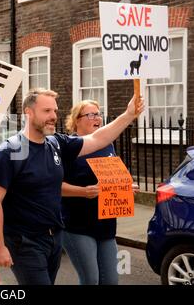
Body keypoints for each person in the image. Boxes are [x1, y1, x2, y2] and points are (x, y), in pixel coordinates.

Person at [0, 88, 144, 285]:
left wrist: (129, 115)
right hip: (24, 241)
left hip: (53, 237)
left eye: (55, 111)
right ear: (28, 113)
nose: (53, 117)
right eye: (46, 111)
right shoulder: (9, 152)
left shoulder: (55, 143)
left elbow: (97, 138)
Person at [61, 100, 140, 285]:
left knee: (111, 280)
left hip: (105, 224)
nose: (97, 118)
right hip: (76, 224)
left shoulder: (107, 146)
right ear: (76, 120)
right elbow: (53, 186)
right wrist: (83, 192)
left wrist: (125, 189)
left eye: (98, 114)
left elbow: (110, 180)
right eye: (91, 114)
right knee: (91, 279)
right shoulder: (68, 147)